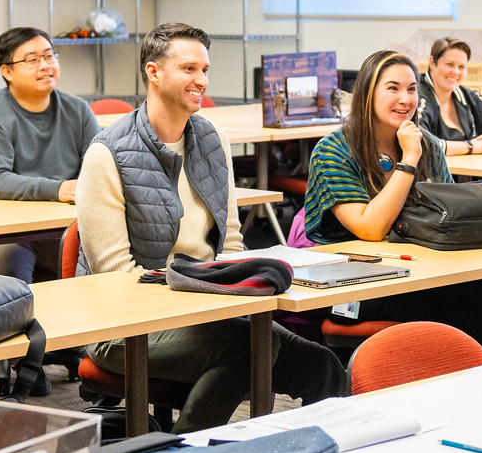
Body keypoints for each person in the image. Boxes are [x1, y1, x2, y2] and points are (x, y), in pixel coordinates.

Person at [76, 23, 346, 430]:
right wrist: (205, 299)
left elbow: (231, 243)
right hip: (123, 327)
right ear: (153, 72)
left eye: (204, 69)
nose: (201, 80)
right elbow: (116, 281)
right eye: (189, 69)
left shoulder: (212, 138)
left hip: (208, 309)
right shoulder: (106, 154)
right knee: (249, 349)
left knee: (321, 365)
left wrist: (233, 292)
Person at [306, 49, 482, 354]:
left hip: (416, 269)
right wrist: (409, 161)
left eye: (412, 89)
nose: (405, 99)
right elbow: (370, 228)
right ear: (366, 94)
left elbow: (451, 215)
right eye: (393, 88)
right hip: (351, 286)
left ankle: (474, 379)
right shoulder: (333, 151)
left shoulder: (426, 143)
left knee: (471, 283)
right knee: (451, 297)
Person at [0, 26, 101, 280]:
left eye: (49, 56)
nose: (45, 65)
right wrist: (58, 189)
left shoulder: (77, 110)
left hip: (59, 225)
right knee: (7, 269)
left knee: (104, 255)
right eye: (32, 60)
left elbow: (100, 166)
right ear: (7, 71)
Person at [416, 37, 482, 156]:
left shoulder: (470, 97)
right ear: (432, 63)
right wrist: (471, 147)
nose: (456, 72)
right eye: (449, 64)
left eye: (461, 67)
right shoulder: (416, 96)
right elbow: (420, 142)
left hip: (472, 172)